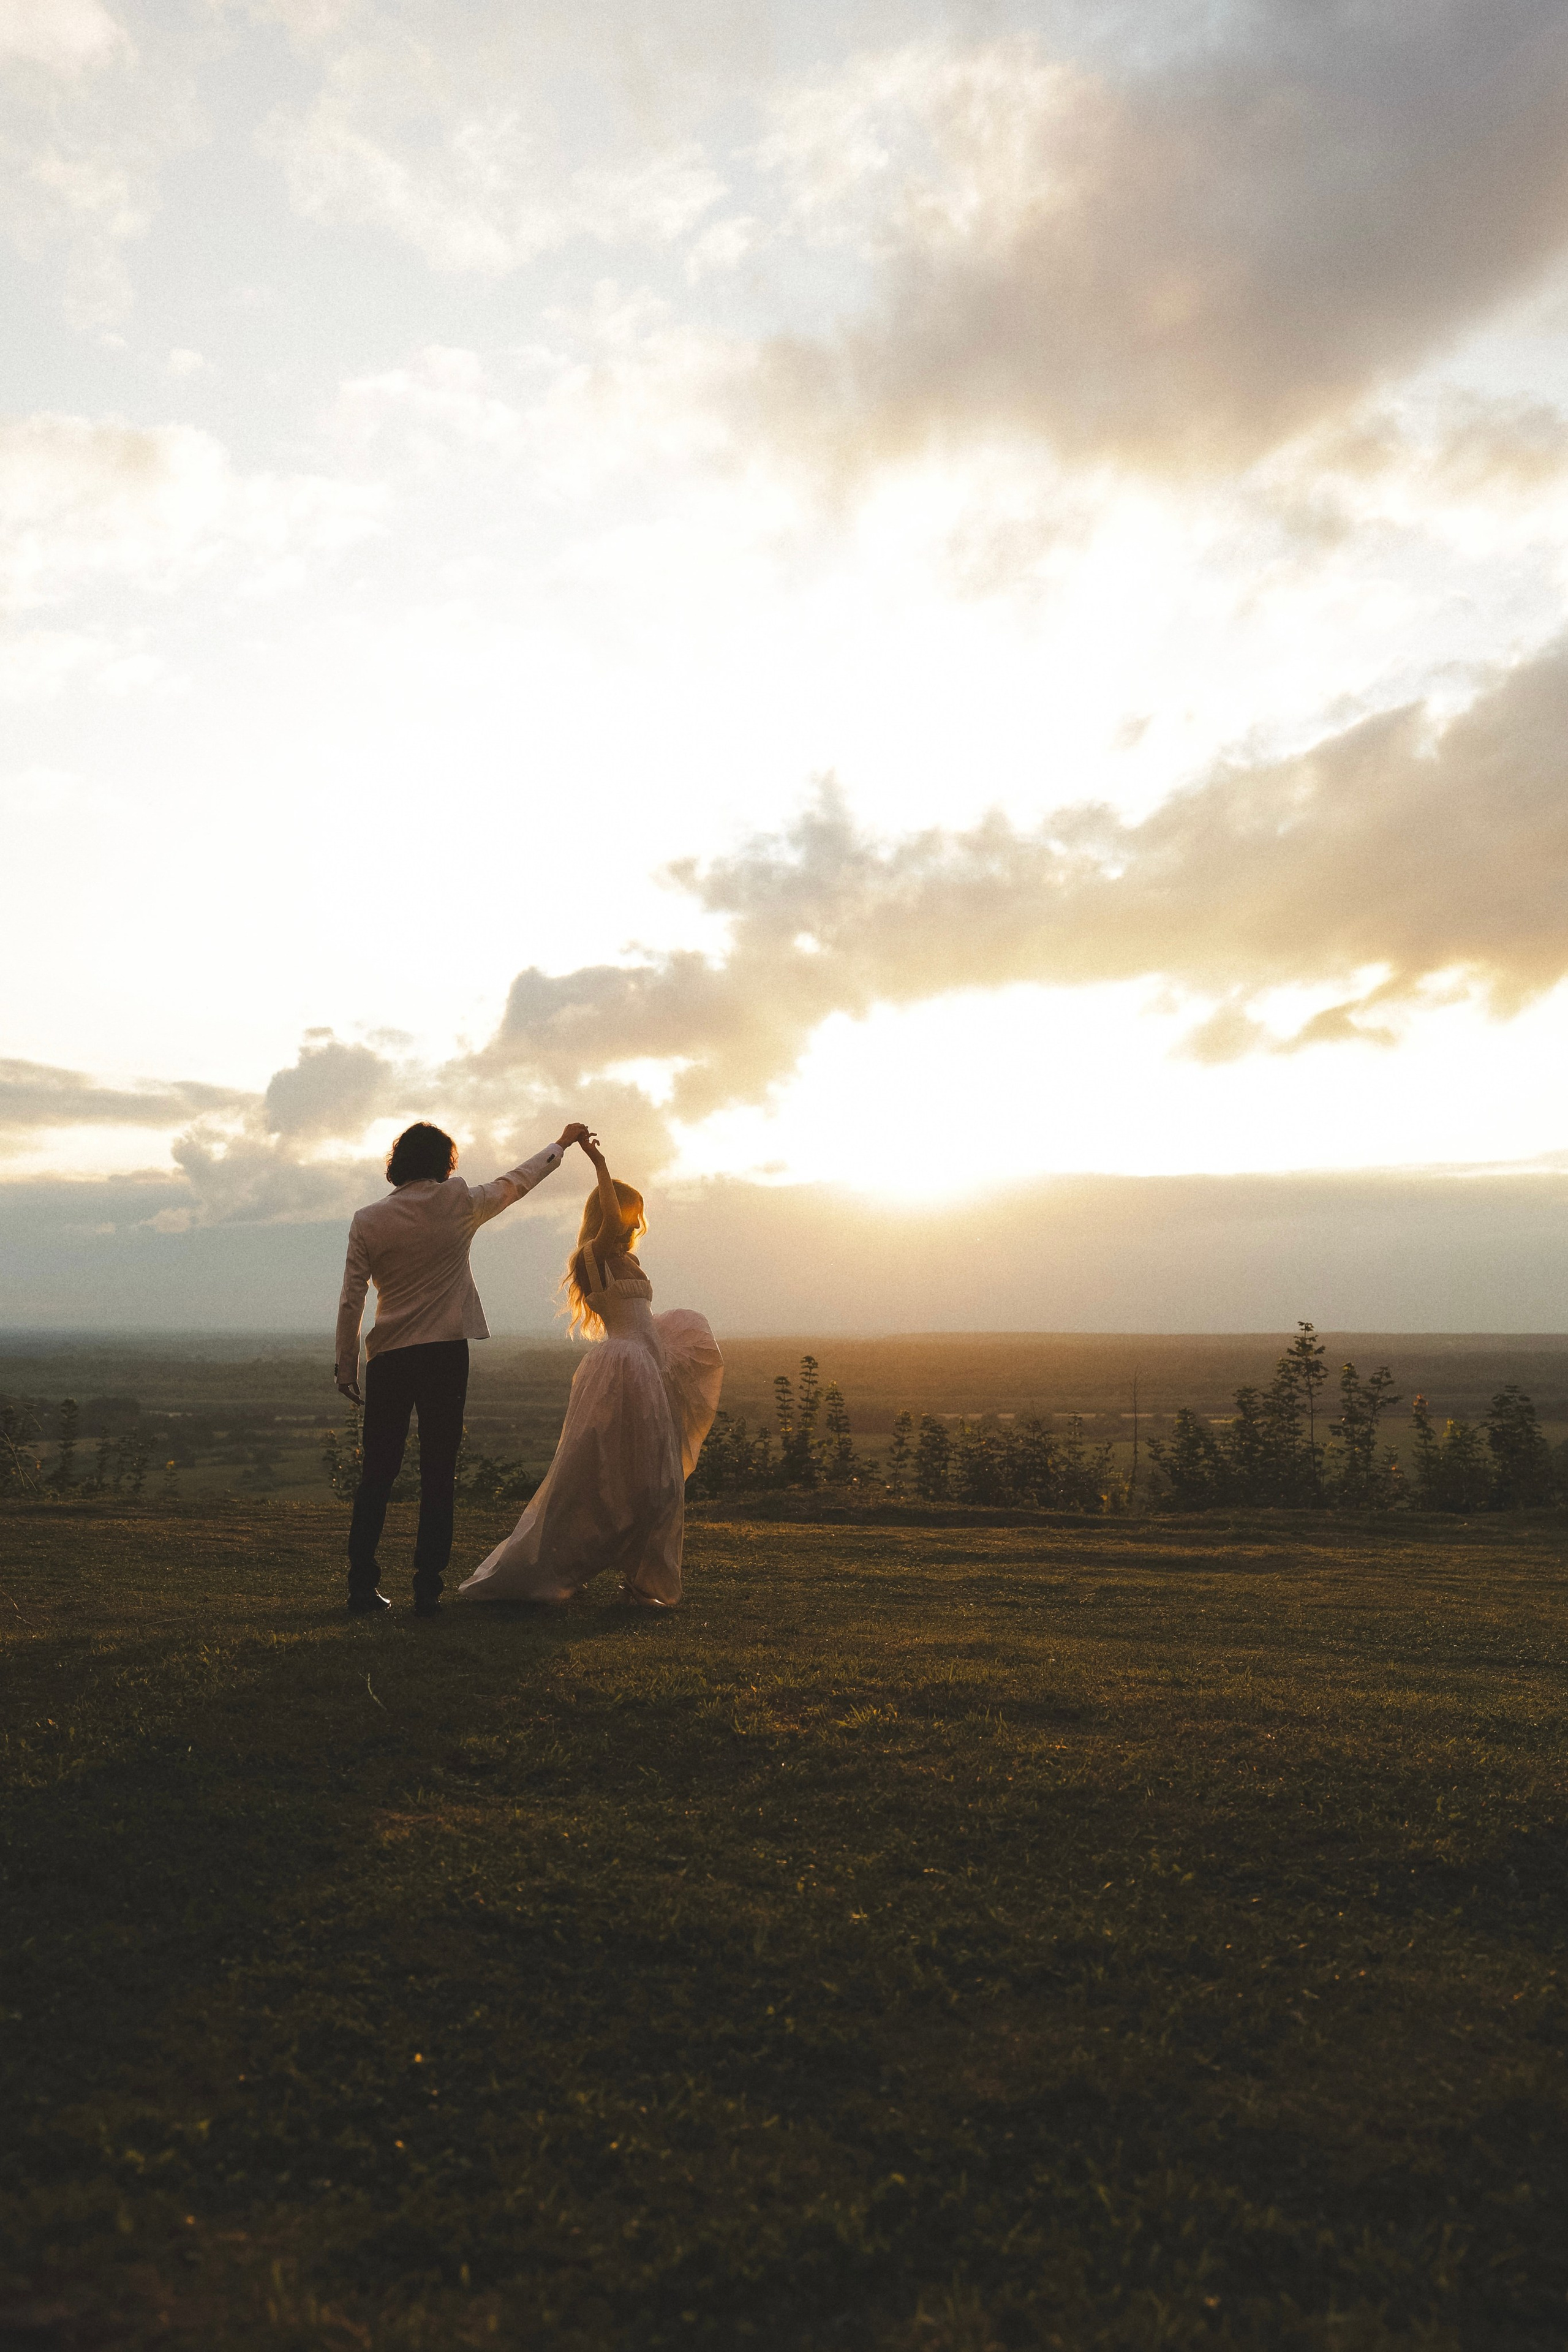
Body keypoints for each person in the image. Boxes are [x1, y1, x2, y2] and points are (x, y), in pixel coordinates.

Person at [334, 1118, 587, 1616]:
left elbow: (352, 1298)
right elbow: (516, 1182)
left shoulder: (368, 1219)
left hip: (389, 1357)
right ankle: (427, 1588)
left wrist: (347, 1365)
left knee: (377, 1474)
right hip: (445, 1356)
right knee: (438, 1471)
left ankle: (361, 1586)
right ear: (444, 1163)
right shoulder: (460, 1203)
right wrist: (560, 1144)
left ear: (397, 1164)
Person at [458, 1131, 722, 1609]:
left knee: (658, 1480)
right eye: (628, 1211)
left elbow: (642, 1317)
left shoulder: (626, 1259)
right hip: (621, 1369)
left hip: (647, 1368)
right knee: (596, 1477)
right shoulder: (591, 1256)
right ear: (608, 1212)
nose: (634, 1221)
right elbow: (612, 1237)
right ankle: (562, 1568)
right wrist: (599, 1164)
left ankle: (643, 1583)